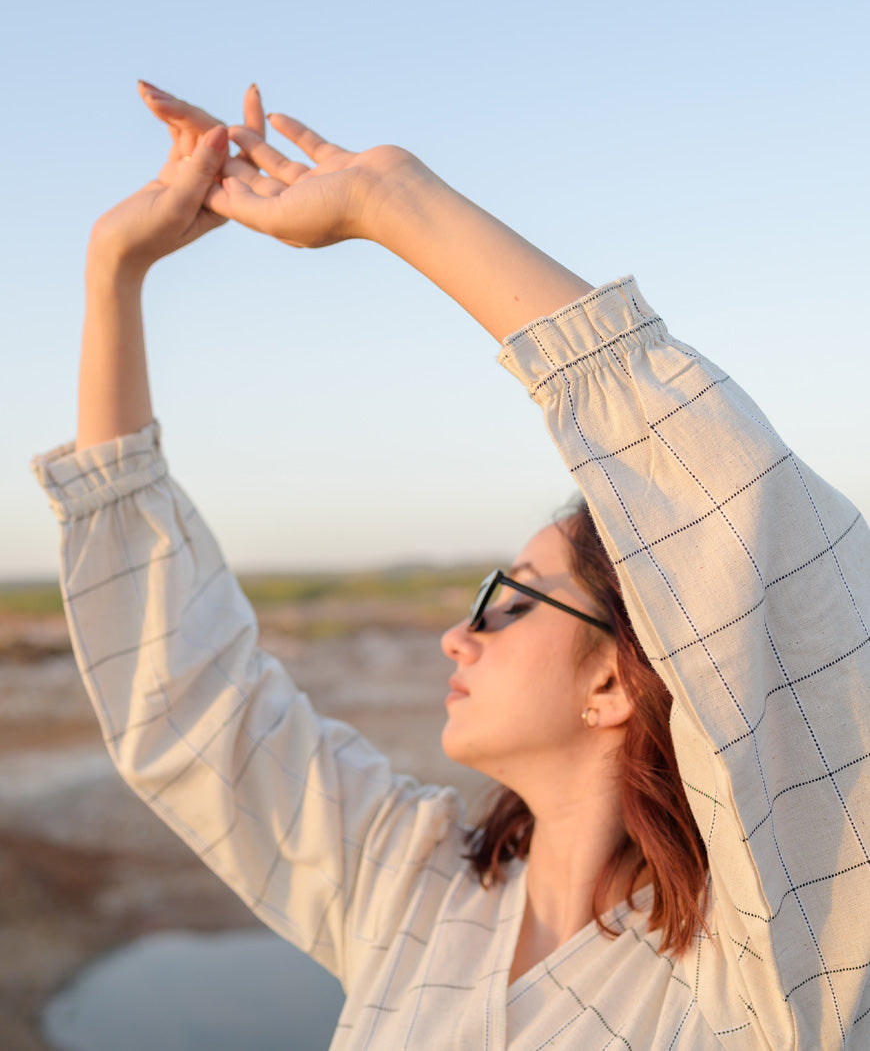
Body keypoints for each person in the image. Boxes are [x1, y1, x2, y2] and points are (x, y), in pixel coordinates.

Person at [32, 82, 870, 1050]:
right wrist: (114, 271)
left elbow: (755, 539)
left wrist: (399, 202)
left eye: (510, 603)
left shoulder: (770, 961)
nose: (456, 634)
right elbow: (188, 697)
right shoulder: (415, 884)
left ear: (614, 677)